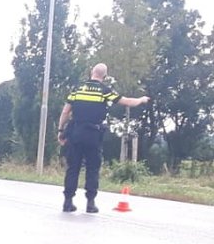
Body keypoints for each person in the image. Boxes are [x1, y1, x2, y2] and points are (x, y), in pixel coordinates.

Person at [56, 64, 150, 213]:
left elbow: (66, 111)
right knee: (92, 169)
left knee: (72, 168)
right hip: (93, 135)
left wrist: (61, 130)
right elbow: (126, 101)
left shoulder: (77, 89)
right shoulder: (105, 91)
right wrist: (142, 99)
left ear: (91, 72)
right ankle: (90, 203)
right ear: (104, 76)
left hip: (76, 133)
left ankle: (68, 202)